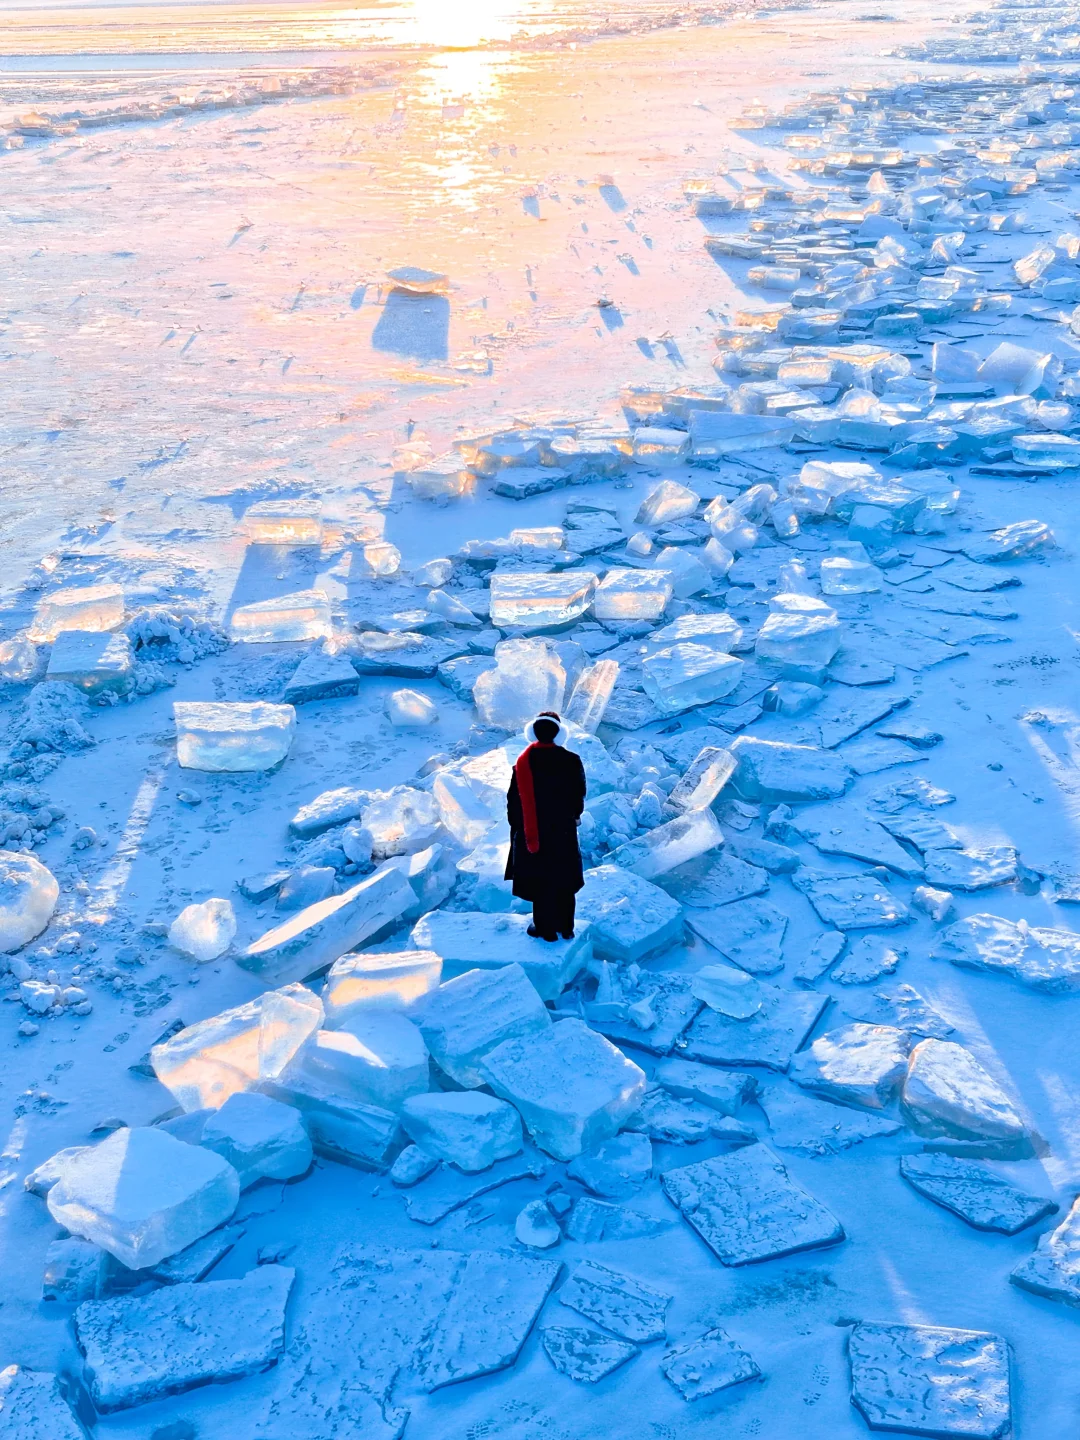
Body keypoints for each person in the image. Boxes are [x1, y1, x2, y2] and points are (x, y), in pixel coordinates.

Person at [505, 711, 587, 941]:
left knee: (541, 879)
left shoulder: (522, 764)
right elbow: (578, 794)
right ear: (559, 733)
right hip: (563, 830)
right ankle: (566, 927)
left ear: (533, 733)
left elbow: (514, 801)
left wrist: (518, 828)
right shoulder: (572, 760)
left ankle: (545, 928)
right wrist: (574, 815)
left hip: (535, 832)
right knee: (563, 876)